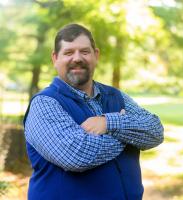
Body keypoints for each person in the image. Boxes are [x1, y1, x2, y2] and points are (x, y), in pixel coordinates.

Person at [24, 23, 164, 200]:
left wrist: (109, 123)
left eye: (84, 51)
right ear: (55, 58)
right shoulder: (45, 103)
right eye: (68, 52)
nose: (77, 58)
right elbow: (76, 155)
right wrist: (129, 134)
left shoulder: (116, 96)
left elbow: (155, 131)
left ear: (95, 55)